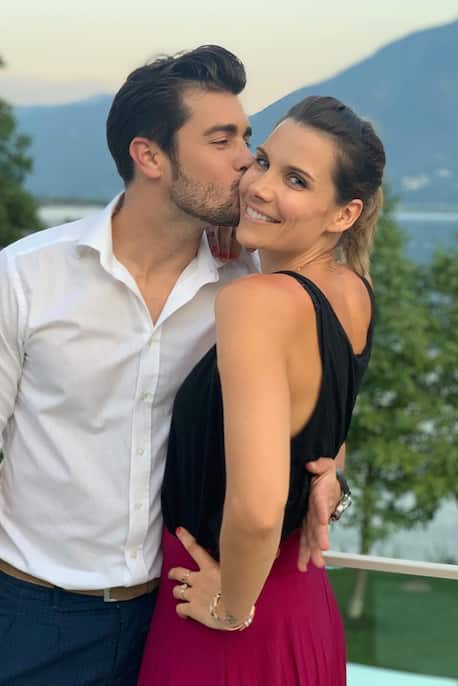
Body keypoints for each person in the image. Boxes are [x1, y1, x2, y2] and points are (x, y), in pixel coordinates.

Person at [0, 47, 341, 685]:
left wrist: (333, 475)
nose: (247, 161)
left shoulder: (251, 289)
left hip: (178, 614)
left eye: (246, 138)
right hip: (31, 616)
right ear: (150, 157)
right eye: (222, 140)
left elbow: (318, 404)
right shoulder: (25, 277)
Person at [137, 94, 385, 685]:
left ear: (344, 214)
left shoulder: (255, 302)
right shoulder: (353, 290)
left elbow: (256, 508)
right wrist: (333, 477)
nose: (261, 186)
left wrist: (230, 609)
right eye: (265, 162)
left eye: (296, 180)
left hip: (222, 614)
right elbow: (322, 429)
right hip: (303, 607)